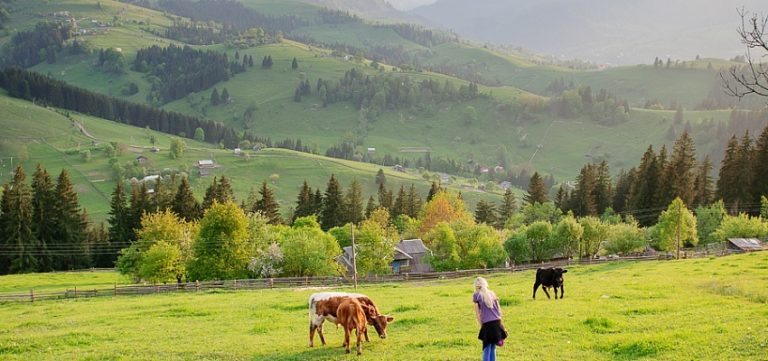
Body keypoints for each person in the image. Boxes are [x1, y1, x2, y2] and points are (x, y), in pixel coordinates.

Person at [473, 277, 507, 361]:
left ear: (476, 286)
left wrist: (481, 325)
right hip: (497, 322)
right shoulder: (492, 293)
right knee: (493, 346)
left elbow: (477, 313)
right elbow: (499, 310)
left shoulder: (476, 295)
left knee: (486, 347)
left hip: (487, 324)